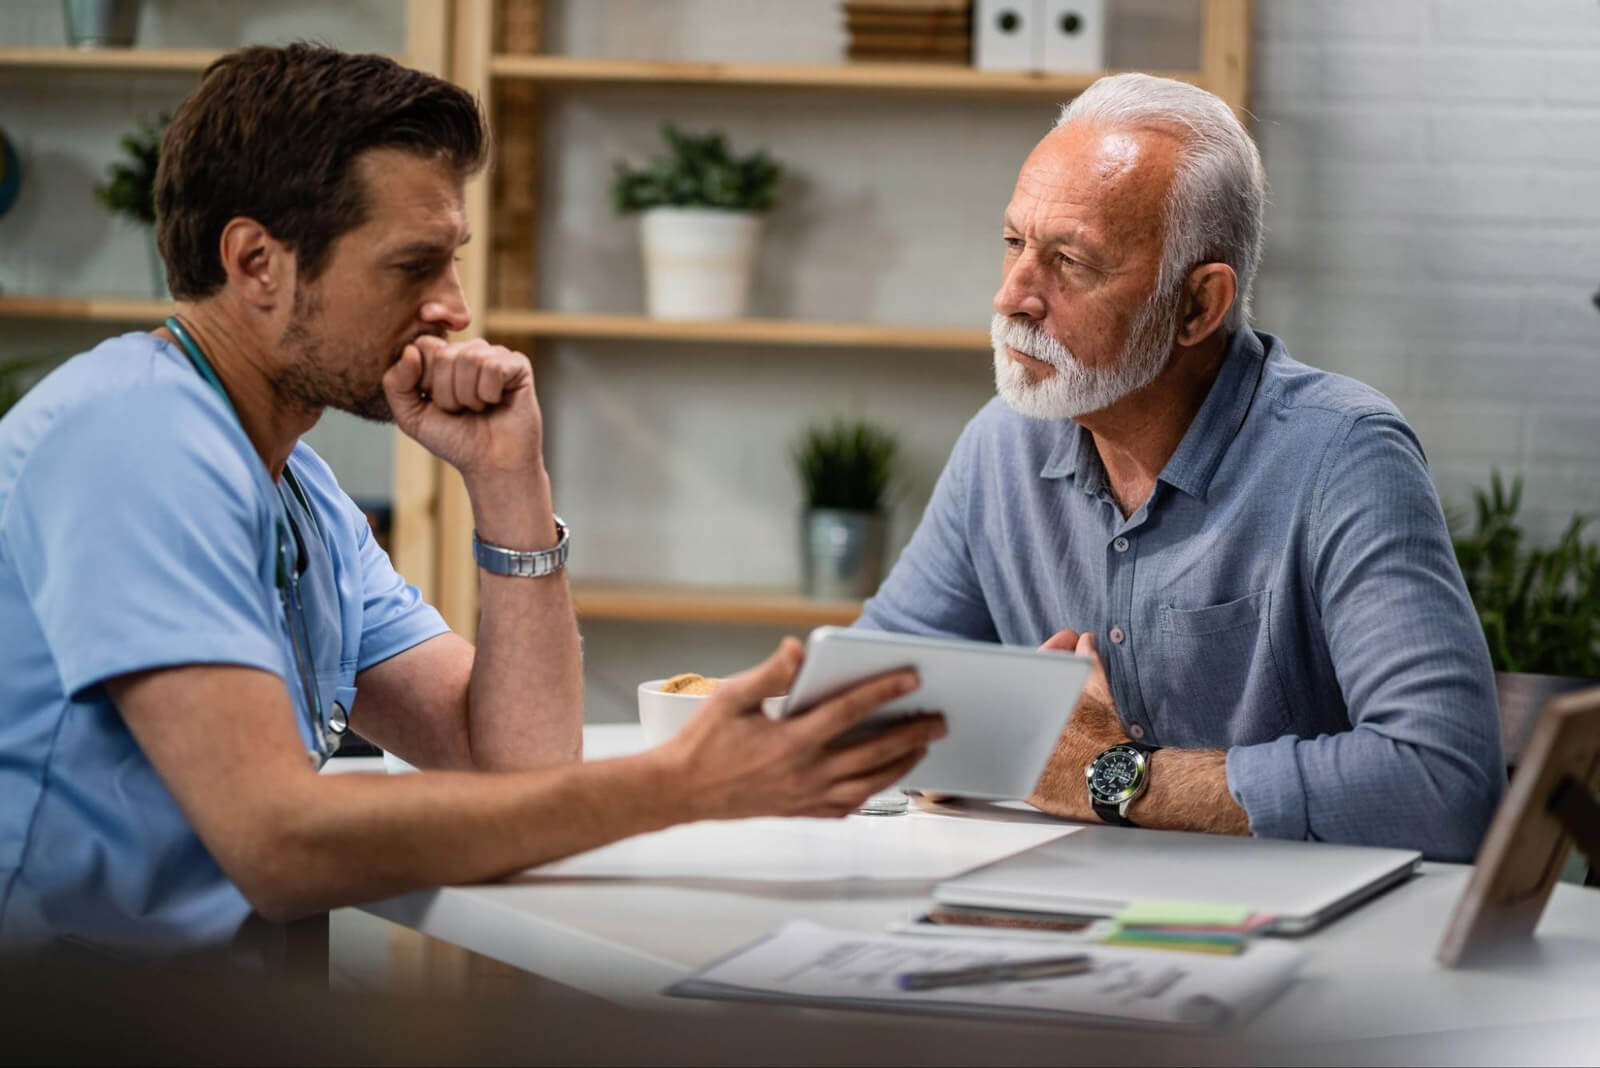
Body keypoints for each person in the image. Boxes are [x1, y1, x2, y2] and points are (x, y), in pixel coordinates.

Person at [0, 44, 945, 956]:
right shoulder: (132, 441)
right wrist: (682, 784)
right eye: (414, 266)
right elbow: (277, 843)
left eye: (452, 261)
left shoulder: (298, 494)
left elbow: (521, 768)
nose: (454, 306)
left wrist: (509, 484)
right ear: (256, 264)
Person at [860, 73, 1503, 862]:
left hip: (1301, 947)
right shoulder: (1003, 444)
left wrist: (1110, 777)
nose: (1012, 296)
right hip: (1064, 916)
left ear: (1198, 305)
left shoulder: (1345, 455)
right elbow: (864, 700)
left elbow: (1444, 787)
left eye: (1069, 262)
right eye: (1015, 243)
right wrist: (959, 741)